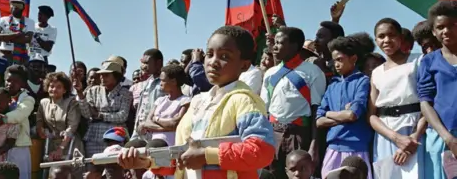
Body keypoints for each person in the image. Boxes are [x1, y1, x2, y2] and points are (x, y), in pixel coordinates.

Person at [119, 25, 275, 179]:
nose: (213, 62)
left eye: (225, 56)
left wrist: (207, 155)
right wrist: (148, 163)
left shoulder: (245, 101)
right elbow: (182, 160)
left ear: (244, 65)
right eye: (209, 54)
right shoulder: (198, 102)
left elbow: (262, 151)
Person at [261, 27, 326, 179]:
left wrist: (314, 145)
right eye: (274, 42)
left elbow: (317, 110)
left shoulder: (312, 72)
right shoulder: (270, 74)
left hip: (299, 135)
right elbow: (264, 110)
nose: (274, 46)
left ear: (295, 46)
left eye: (280, 43)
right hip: (273, 134)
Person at [368, 18, 426, 178]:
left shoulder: (418, 61)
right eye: (381, 36)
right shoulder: (376, 72)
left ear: (400, 37)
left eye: (391, 35)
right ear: (376, 40)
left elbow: (428, 104)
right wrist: (395, 137)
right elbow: (372, 115)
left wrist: (414, 137)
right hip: (386, 134)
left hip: (415, 131)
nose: (386, 40)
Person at [316, 37, 373, 179]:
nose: (336, 64)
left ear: (353, 58)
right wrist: (343, 115)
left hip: (357, 147)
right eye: (334, 60)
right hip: (333, 147)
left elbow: (352, 115)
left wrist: (329, 114)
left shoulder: (362, 81)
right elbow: (319, 121)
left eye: (340, 59)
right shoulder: (332, 85)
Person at [418, 0, 457, 179]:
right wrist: (447, 137)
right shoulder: (429, 61)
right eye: (440, 27)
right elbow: (425, 102)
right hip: (441, 137)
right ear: (434, 31)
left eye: (453, 25)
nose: (446, 31)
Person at [76, 60, 132, 158]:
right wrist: (80, 93)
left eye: (106, 75)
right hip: (94, 136)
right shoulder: (93, 91)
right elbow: (87, 114)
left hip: (115, 136)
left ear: (116, 76)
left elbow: (122, 116)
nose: (102, 78)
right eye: (101, 75)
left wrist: (100, 115)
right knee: (93, 166)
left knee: (114, 167)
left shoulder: (125, 93)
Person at [36, 72, 83, 177]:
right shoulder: (43, 102)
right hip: (52, 144)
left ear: (64, 90)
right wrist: (40, 129)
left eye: (58, 87)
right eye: (51, 86)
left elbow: (72, 127)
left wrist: (60, 149)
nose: (54, 89)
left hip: (70, 145)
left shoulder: (71, 102)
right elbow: (39, 120)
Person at [141, 64, 190, 146]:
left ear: (173, 82)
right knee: (131, 146)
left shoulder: (186, 101)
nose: (160, 83)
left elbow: (174, 124)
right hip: (153, 140)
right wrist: (168, 127)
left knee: (153, 147)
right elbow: (147, 123)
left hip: (171, 143)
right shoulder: (159, 100)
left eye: (163, 80)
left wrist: (156, 119)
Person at [132, 49, 165, 141]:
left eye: (146, 63)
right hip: (141, 130)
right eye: (142, 63)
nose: (143, 66)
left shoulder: (166, 82)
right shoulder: (147, 82)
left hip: (156, 131)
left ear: (158, 63)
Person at [0, 0, 35, 65]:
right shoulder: (3, 20)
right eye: (13, 4)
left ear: (23, 7)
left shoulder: (30, 22)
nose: (15, 7)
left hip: (21, 56)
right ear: (9, 5)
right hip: (4, 55)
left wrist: (5, 37)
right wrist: (16, 34)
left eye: (19, 5)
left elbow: (27, 39)